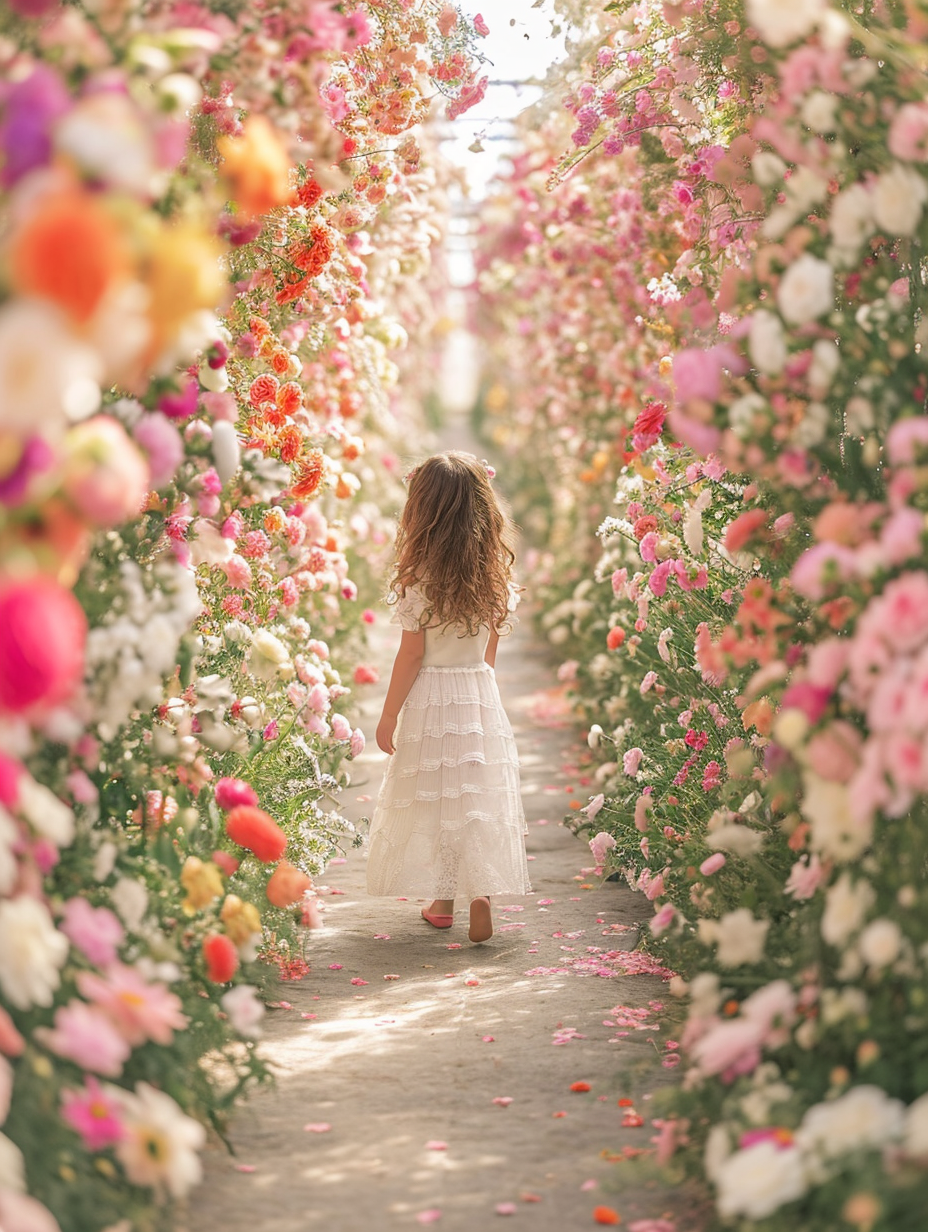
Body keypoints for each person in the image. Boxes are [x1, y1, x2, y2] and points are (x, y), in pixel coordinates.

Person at [366, 451, 531, 943]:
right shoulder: (494, 581)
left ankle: (443, 902)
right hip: (478, 694)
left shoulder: (420, 583)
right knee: (474, 797)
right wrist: (481, 700)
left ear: (424, 515)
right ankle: (478, 894)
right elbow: (491, 651)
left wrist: (388, 715)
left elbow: (411, 655)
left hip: (432, 699)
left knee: (440, 801)